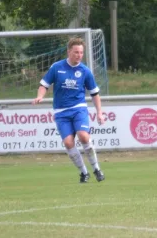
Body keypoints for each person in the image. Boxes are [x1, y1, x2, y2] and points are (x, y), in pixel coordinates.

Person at [32, 37, 106, 183]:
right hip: (61, 112)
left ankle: (97, 169)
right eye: (76, 52)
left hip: (79, 108)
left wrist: (99, 113)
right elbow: (44, 85)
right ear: (69, 52)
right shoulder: (56, 67)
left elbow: (94, 93)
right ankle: (84, 173)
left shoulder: (85, 71)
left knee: (84, 136)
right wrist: (40, 96)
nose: (79, 55)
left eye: (81, 52)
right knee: (68, 143)